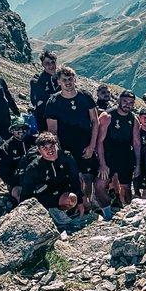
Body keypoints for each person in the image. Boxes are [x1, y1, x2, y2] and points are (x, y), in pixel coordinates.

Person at [43, 67, 99, 207]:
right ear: (59, 81)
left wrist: (92, 146)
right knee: (74, 177)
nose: (68, 82)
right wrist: (60, 152)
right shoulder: (54, 101)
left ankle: (87, 206)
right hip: (66, 146)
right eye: (64, 80)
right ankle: (76, 206)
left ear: (74, 79)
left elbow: (95, 121)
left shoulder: (85, 96)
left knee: (88, 177)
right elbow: (52, 130)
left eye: (70, 79)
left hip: (86, 144)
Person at [95, 90, 141, 218]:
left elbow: (136, 143)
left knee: (126, 187)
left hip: (125, 155)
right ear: (119, 101)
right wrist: (102, 163)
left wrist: (138, 164)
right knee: (99, 185)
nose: (128, 105)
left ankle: (128, 214)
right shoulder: (107, 116)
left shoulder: (134, 119)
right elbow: (99, 142)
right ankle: (107, 213)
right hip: (108, 155)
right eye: (125, 101)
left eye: (131, 103)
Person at [19, 132, 81, 212]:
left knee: (72, 198)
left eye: (52, 146)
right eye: (45, 148)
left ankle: (67, 211)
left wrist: (80, 201)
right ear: (39, 151)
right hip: (44, 196)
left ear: (57, 145)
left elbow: (74, 178)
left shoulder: (66, 157)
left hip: (62, 190)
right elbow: (27, 191)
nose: (50, 150)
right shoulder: (34, 167)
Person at [0, 117, 36, 203]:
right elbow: (2, 172)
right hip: (17, 181)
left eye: (24, 128)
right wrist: (15, 181)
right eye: (17, 128)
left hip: (37, 177)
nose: (21, 131)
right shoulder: (5, 148)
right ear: (12, 130)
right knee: (18, 193)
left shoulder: (36, 141)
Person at [30, 52, 58, 132]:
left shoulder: (62, 78)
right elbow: (38, 97)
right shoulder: (37, 80)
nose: (51, 66)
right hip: (44, 116)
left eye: (53, 62)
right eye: (47, 63)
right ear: (42, 64)